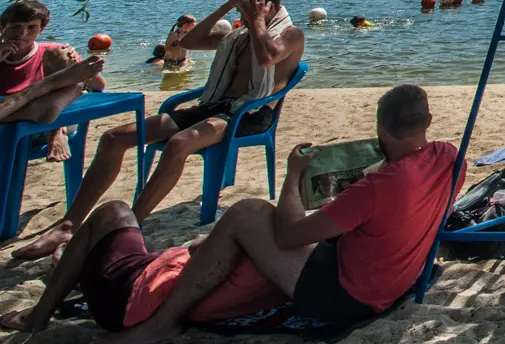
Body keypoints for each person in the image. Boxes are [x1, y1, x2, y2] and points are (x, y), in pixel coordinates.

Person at [100, 85, 462, 344]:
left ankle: (163, 323)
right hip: (390, 279)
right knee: (271, 227)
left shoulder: (378, 187)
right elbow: (397, 204)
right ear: (428, 120)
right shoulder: (449, 157)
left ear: (380, 128)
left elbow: (289, 235)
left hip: (345, 295)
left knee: (248, 212)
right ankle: (208, 248)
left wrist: (293, 175)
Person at [10, 0, 305, 262]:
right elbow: (188, 41)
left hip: (249, 115)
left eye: (246, 10)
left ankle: (128, 225)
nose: (242, 16)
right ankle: (68, 225)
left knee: (180, 143)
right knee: (114, 137)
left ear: (269, 8)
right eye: (240, 10)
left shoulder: (292, 34)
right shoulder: (237, 36)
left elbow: (267, 58)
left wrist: (257, 20)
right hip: (215, 107)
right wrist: (227, 5)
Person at [0, 200, 282, 334]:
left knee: (114, 212)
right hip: (159, 276)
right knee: (100, 250)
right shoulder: (298, 258)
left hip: (131, 293)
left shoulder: (257, 225)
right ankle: (70, 261)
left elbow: (197, 247)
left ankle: (38, 317)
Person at [0, 0, 107, 160]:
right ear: (2, 27)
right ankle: (45, 90)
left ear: (42, 29)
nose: (23, 34)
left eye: (32, 28)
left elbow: (98, 86)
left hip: (46, 123)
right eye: (16, 27)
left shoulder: (51, 53)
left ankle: (57, 130)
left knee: (67, 71)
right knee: (46, 105)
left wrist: (73, 62)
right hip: (17, 118)